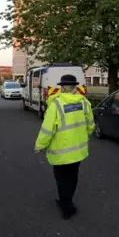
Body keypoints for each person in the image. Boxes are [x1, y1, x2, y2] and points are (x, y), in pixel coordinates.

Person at [34, 74, 94, 220]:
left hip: (61, 152)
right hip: (78, 151)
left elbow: (47, 130)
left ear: (62, 87)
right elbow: (90, 125)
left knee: (62, 179)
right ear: (75, 87)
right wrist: (83, 137)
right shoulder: (84, 102)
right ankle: (69, 202)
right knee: (73, 176)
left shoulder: (56, 104)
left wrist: (39, 146)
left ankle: (66, 207)